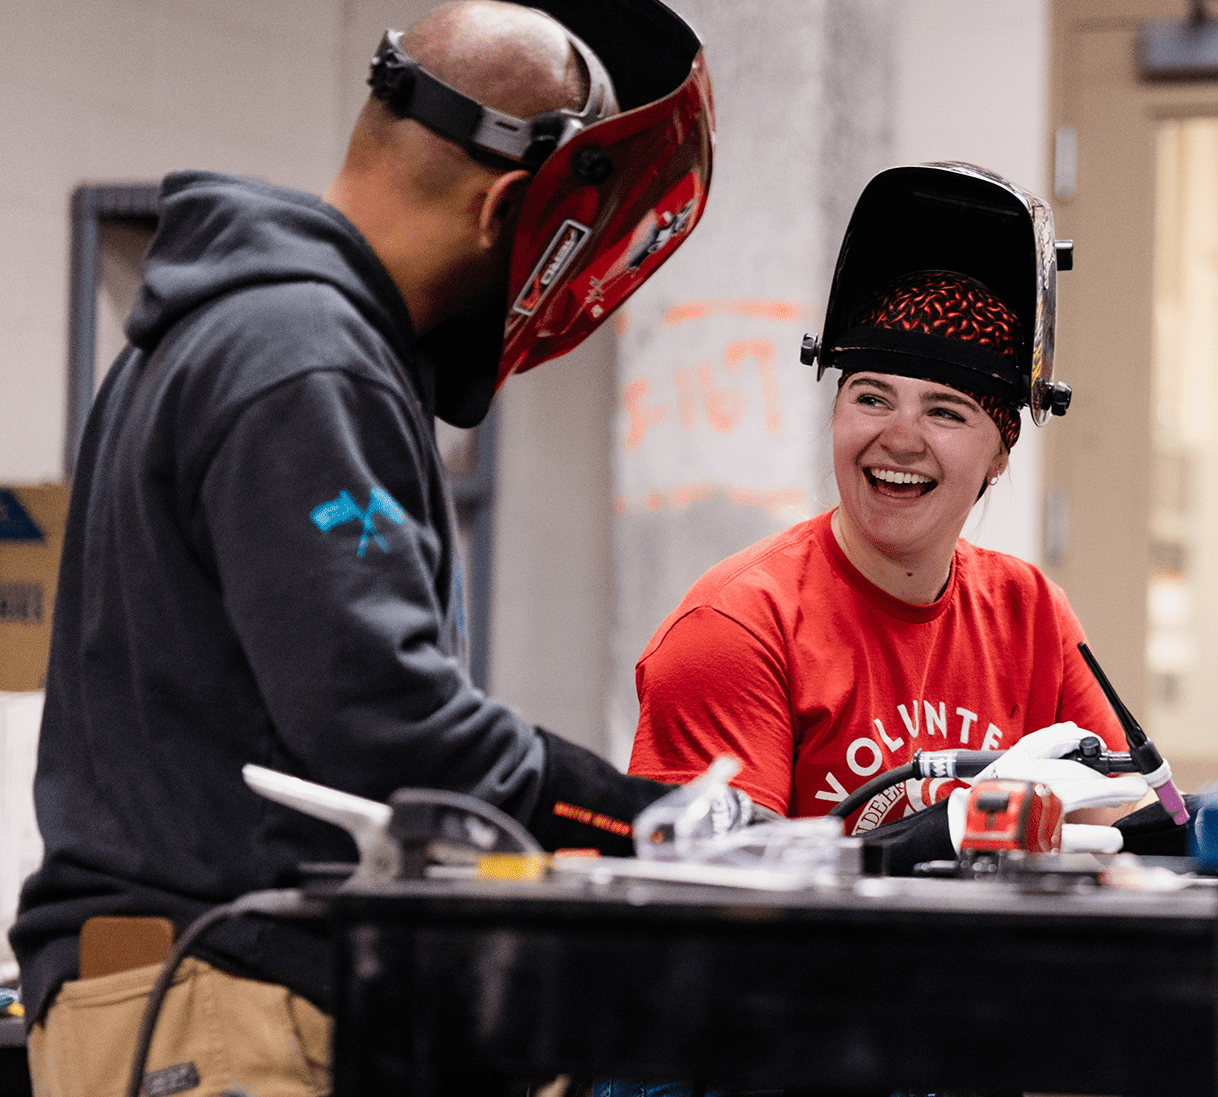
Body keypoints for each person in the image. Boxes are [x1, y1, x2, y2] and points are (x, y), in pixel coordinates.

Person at [11, 2, 715, 1091]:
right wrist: (665, 824)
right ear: (510, 210)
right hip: (221, 1003)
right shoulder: (302, 361)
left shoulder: (239, 335)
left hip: (194, 996)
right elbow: (391, 723)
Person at [629, 164, 1139, 846]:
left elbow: (1122, 834)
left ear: (999, 454)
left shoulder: (1031, 614)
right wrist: (932, 839)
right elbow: (714, 903)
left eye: (946, 411)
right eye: (870, 396)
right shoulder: (737, 626)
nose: (898, 439)